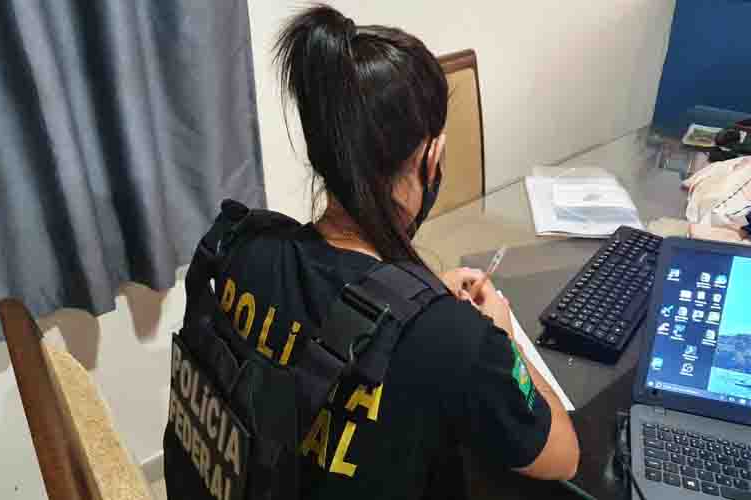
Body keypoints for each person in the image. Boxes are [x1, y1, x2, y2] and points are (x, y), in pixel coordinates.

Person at [183, 4, 579, 498]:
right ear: (431, 158)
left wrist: (420, 298)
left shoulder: (242, 247)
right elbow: (563, 455)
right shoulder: (457, 341)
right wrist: (502, 337)